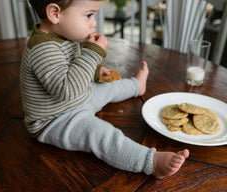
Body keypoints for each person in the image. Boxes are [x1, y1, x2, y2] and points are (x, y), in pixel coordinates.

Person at [20, 0, 189, 179]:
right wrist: (93, 53)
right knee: (101, 135)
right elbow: (67, 90)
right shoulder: (42, 50)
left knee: (106, 88)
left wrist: (95, 71)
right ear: (55, 13)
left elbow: (71, 68)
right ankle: (150, 162)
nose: (94, 22)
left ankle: (135, 86)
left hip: (79, 98)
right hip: (55, 119)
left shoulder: (62, 34)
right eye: (88, 15)